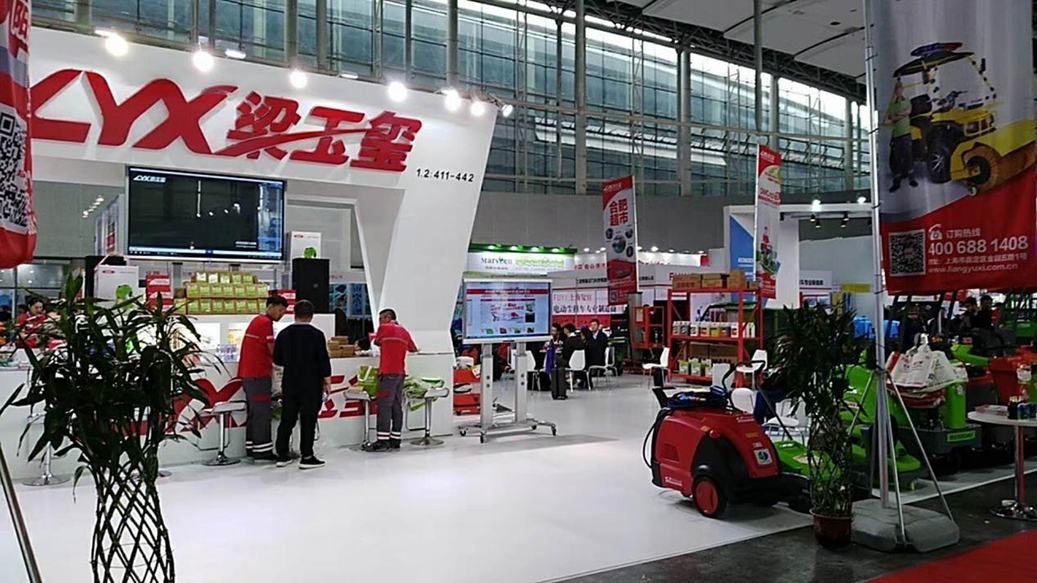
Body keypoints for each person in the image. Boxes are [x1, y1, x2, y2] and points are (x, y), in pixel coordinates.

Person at [274, 300, 332, 469]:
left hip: (290, 381)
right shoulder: (317, 335)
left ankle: (282, 454)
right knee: (308, 419)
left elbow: (277, 359)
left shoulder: (284, 334)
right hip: (311, 383)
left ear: (294, 314)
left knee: (287, 418)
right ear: (311, 316)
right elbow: (323, 359)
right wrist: (327, 380)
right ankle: (307, 456)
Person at [238, 295, 288, 461]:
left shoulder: (257, 321)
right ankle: (263, 451)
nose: (281, 315)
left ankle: (252, 447)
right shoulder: (265, 323)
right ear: (270, 306)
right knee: (262, 413)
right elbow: (272, 350)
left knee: (253, 413)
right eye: (280, 310)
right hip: (258, 374)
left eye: (283, 312)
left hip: (249, 375)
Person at [363, 308, 418, 452]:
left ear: (387, 317)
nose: (379, 322)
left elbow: (377, 342)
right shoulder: (404, 331)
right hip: (400, 374)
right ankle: (395, 439)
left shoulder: (384, 328)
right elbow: (413, 348)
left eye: (380, 319)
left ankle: (382, 440)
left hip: (387, 373)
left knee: (384, 406)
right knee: (396, 406)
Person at [885, 79, 917, 192]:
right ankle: (897, 182)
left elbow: (908, 111)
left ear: (902, 90)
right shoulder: (892, 105)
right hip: (897, 135)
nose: (899, 91)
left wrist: (898, 114)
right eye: (897, 89)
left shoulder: (906, 101)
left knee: (908, 156)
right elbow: (892, 117)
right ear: (895, 91)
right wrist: (902, 114)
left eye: (900, 89)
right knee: (897, 159)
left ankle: (912, 179)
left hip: (906, 133)